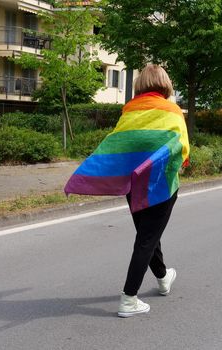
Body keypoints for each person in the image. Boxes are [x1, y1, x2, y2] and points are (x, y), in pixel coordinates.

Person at [64, 64, 190, 318]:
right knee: (146, 238)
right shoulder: (172, 110)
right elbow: (182, 147)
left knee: (148, 234)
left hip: (134, 184)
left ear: (141, 84)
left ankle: (164, 278)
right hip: (162, 184)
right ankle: (129, 299)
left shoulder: (129, 110)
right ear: (165, 83)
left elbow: (121, 143)